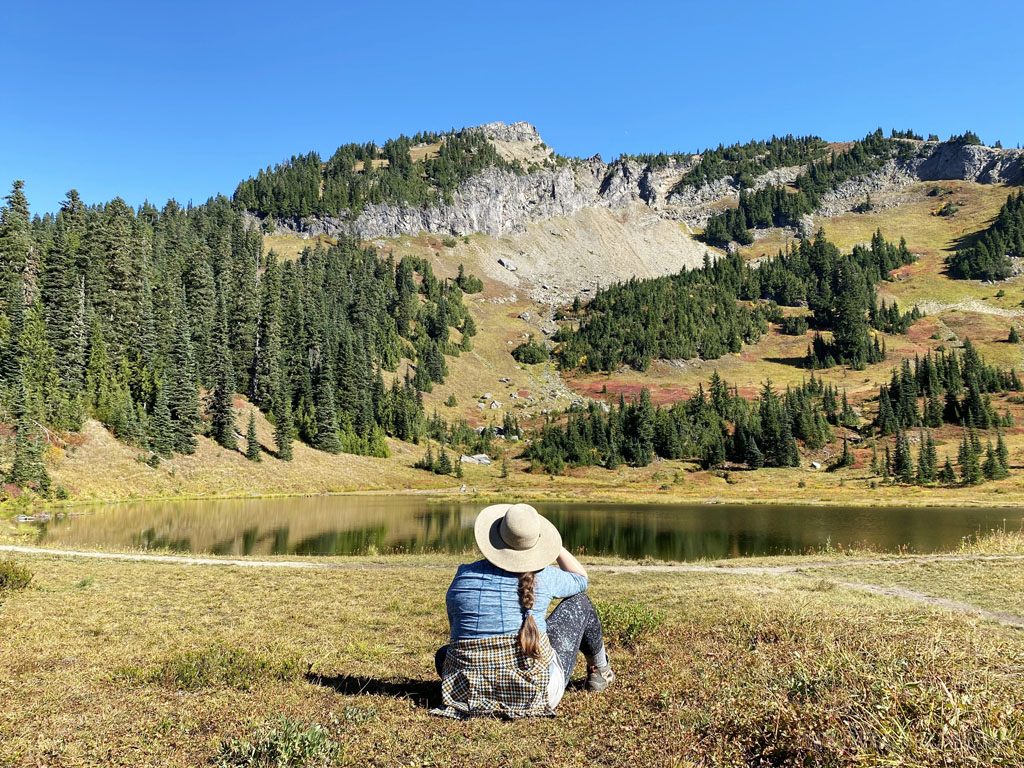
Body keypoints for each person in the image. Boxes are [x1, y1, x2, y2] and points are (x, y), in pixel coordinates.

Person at [432, 503, 615, 718]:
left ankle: (483, 692)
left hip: (468, 694)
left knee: (444, 654)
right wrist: (554, 547)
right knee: (580, 603)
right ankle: (600, 670)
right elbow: (580, 580)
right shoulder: (544, 577)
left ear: (494, 537)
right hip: (535, 694)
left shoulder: (463, 575)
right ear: (536, 544)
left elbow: (458, 633)